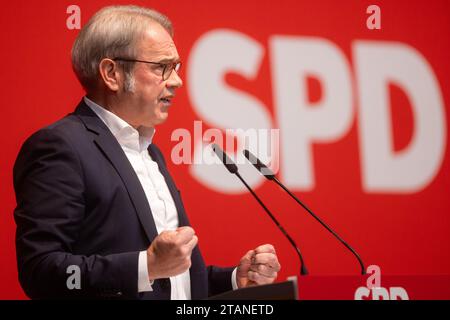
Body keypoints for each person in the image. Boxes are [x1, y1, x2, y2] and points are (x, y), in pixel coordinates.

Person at [13, 5, 280, 299]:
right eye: (161, 67)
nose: (177, 81)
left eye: (176, 67)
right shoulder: (61, 147)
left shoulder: (150, 152)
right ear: (111, 73)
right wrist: (145, 266)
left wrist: (233, 280)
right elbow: (39, 271)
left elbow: (171, 280)